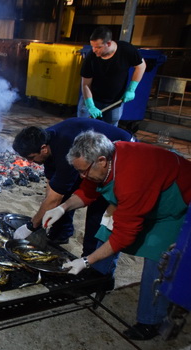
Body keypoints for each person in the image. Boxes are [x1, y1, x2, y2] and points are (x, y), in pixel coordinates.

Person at [42, 130, 191, 341]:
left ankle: (151, 321)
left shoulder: (130, 179)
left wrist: (86, 260)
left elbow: (124, 237)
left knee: (158, 261)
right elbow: (88, 190)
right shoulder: (104, 158)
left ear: (101, 161)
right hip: (141, 198)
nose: (82, 176)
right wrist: (63, 207)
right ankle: (99, 279)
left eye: (83, 171)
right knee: (106, 231)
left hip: (172, 207)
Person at [12, 118, 133, 254]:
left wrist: (32, 225)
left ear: (43, 149)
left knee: (97, 211)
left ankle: (90, 257)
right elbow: (53, 186)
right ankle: (61, 233)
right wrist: (50, 210)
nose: (30, 162)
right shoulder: (44, 141)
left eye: (31, 157)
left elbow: (55, 198)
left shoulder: (65, 150)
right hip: (88, 157)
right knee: (63, 193)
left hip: (120, 154)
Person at [77, 26, 146, 126]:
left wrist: (131, 89)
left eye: (98, 47)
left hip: (115, 101)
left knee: (111, 131)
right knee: (82, 127)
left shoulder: (126, 50)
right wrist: (90, 105)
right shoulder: (91, 57)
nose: (94, 50)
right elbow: (85, 84)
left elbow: (141, 66)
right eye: (92, 46)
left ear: (108, 43)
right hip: (92, 98)